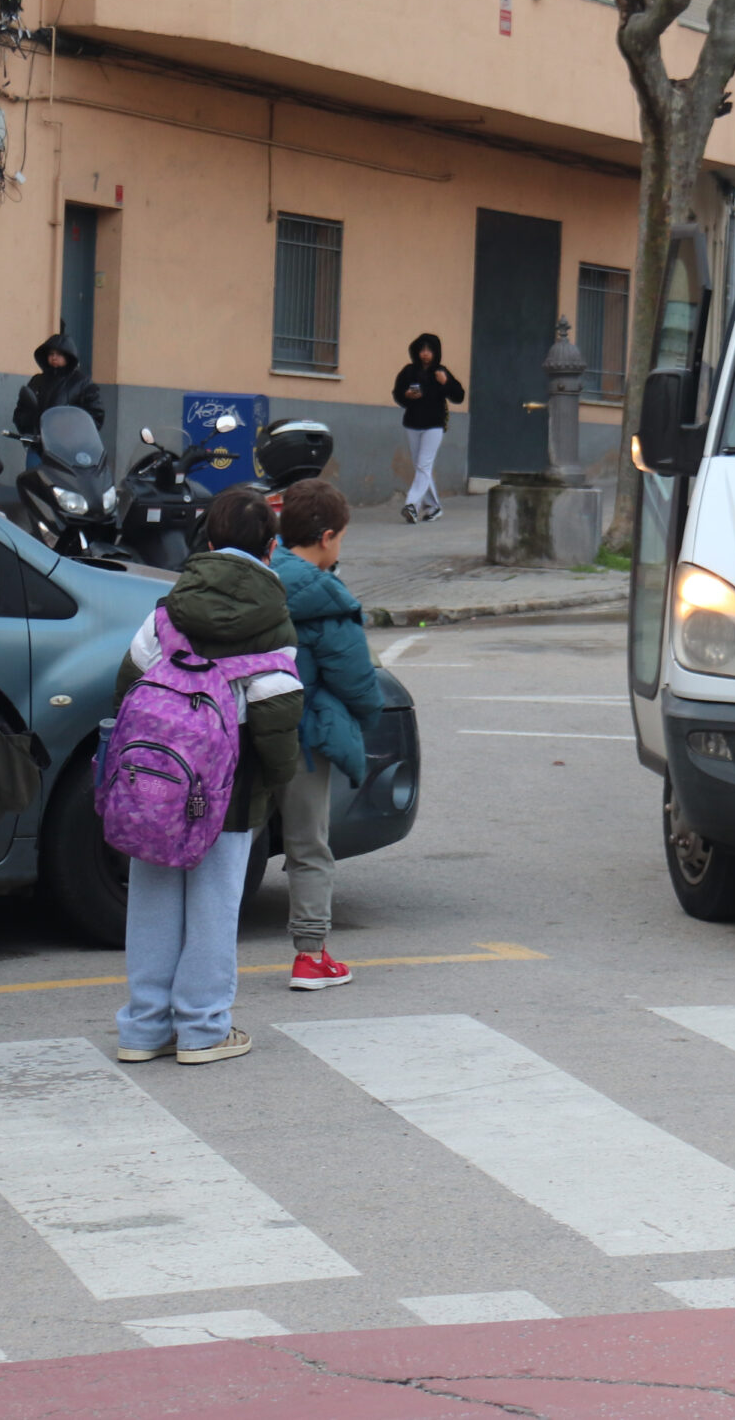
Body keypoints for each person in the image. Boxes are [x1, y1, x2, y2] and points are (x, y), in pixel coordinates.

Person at [114, 485, 303, 1066]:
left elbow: (129, 684)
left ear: (210, 542)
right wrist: (275, 783)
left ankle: (144, 1029)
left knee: (151, 897)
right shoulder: (272, 620)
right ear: (270, 549)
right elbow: (276, 712)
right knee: (215, 904)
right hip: (232, 784)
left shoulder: (168, 610)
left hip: (159, 780)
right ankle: (202, 1028)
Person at [269, 480, 382, 991]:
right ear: (328, 536)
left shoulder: (260, 575)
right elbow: (357, 679)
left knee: (229, 841)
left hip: (244, 728)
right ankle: (310, 955)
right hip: (301, 734)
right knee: (308, 844)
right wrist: (364, 718)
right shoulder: (325, 596)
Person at [389, 332, 464, 523]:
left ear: (436, 352)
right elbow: (397, 394)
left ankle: (411, 506)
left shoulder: (441, 372)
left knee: (423, 465)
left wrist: (445, 383)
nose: (425, 354)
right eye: (422, 349)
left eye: (429, 350)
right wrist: (406, 395)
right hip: (413, 424)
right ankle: (434, 507)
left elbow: (459, 395)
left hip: (434, 425)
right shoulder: (408, 371)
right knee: (422, 467)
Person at [12, 333, 105, 467]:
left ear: (68, 356)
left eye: (59, 354)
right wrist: (29, 429)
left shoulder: (81, 383)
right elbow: (22, 408)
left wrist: (76, 436)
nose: (54, 357)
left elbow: (95, 415)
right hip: (39, 447)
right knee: (33, 481)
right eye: (51, 353)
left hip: (69, 451)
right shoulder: (37, 381)